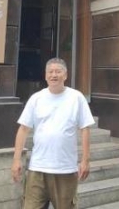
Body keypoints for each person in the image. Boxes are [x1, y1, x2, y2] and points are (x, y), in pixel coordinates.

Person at [12, 57, 95, 209]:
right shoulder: (36, 98)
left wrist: (85, 160)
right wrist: (17, 160)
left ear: (65, 75)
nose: (54, 75)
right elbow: (23, 129)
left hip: (65, 169)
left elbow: (85, 129)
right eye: (50, 72)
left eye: (58, 71)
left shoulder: (76, 98)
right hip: (38, 169)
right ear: (45, 75)